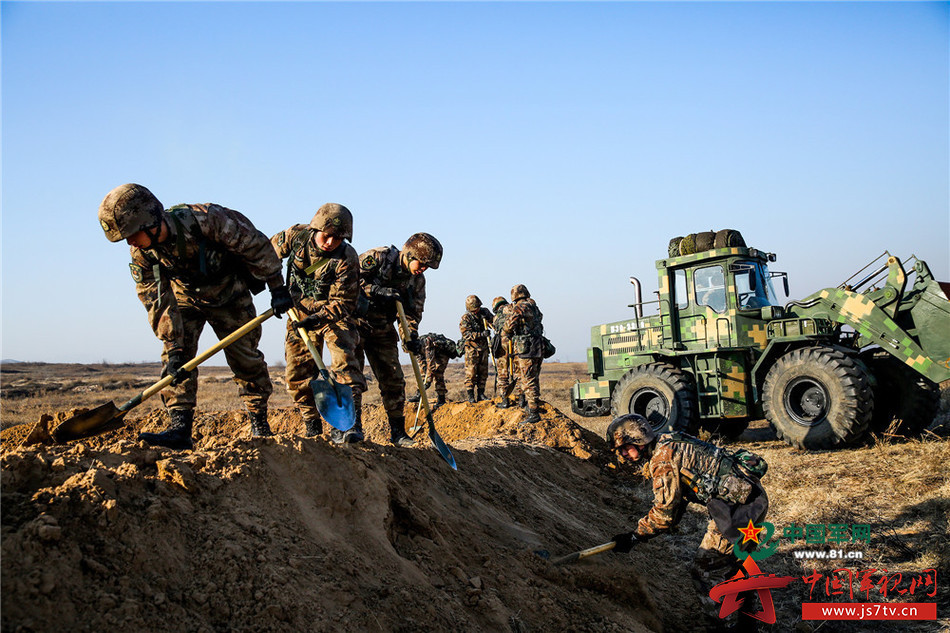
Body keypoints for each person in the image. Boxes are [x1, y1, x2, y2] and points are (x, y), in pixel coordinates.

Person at [97, 183, 293, 450]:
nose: (130, 242)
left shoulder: (207, 219)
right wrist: (173, 343)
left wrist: (277, 287)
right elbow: (155, 299)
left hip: (229, 294)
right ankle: (180, 429)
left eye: (132, 234)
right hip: (185, 299)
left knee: (245, 358)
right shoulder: (142, 254)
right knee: (176, 362)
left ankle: (259, 423)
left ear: (150, 221)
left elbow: (255, 246)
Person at [607, 414, 769, 627]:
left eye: (625, 448)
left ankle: (724, 626)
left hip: (738, 512)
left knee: (706, 568)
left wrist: (635, 536)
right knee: (734, 566)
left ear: (639, 440)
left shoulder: (662, 460)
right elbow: (681, 494)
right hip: (752, 501)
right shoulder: (668, 440)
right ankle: (747, 624)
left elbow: (664, 513)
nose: (623, 455)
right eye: (620, 451)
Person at [271, 203, 366, 443]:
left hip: (332, 315)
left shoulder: (346, 258)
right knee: (297, 373)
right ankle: (312, 424)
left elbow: (344, 302)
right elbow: (265, 256)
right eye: (327, 235)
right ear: (316, 229)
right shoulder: (295, 236)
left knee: (344, 362)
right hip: (298, 313)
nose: (330, 242)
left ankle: (349, 425)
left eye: (338, 238)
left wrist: (319, 317)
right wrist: (276, 290)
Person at [356, 233, 443, 447]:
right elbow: (347, 279)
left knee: (394, 380)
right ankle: (352, 428)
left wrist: (409, 336)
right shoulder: (377, 258)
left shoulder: (417, 281)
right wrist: (374, 290)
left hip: (383, 328)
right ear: (409, 254)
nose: (423, 269)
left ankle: (398, 432)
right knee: (351, 378)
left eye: (427, 267)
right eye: (421, 264)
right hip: (355, 324)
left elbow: (412, 313)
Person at [498, 284, 545, 424]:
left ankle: (534, 413)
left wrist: (505, 334)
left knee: (527, 380)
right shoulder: (534, 307)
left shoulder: (519, 307)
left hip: (526, 348)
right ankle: (532, 407)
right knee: (534, 377)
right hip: (538, 345)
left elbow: (509, 325)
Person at [407, 333, 459, 408]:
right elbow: (422, 365)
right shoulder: (415, 349)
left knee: (438, 372)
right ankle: (418, 394)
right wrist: (423, 384)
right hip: (434, 352)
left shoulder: (427, 343)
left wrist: (427, 382)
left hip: (443, 352)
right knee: (423, 372)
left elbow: (430, 365)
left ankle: (441, 398)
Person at [458, 295, 494, 402]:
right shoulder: (466, 318)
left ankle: (481, 394)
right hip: (472, 350)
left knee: (483, 372)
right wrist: (481, 334)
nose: (477, 310)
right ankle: (470, 396)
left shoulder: (484, 312)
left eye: (478, 307)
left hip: (484, 348)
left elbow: (493, 321)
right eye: (474, 308)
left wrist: (492, 324)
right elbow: (466, 334)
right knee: (471, 373)